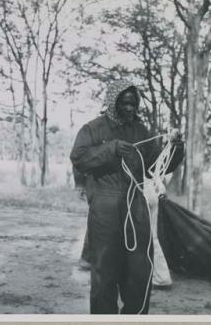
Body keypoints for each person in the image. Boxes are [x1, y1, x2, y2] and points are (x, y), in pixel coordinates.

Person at [70, 79, 184, 314]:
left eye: (134, 104)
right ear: (113, 102)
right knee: (105, 273)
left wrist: (175, 149)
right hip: (105, 206)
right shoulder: (93, 128)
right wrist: (110, 149)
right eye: (125, 103)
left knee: (139, 272)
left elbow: (155, 167)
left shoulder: (140, 130)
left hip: (136, 204)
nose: (130, 108)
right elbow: (79, 158)